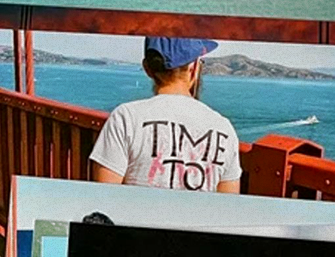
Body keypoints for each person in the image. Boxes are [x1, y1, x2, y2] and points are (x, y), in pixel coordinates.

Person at [89, 36, 242, 194]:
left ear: (147, 69)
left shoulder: (125, 118)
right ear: (194, 67)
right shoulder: (224, 128)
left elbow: (104, 198)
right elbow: (229, 206)